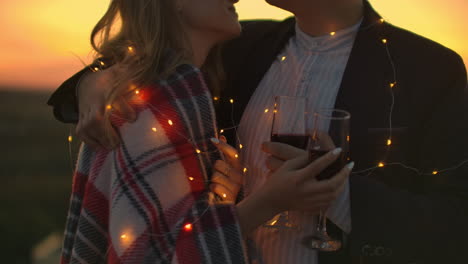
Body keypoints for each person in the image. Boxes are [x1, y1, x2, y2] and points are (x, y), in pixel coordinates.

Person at [48, 0, 468, 263]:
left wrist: (338, 196)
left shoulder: (427, 68)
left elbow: (455, 223)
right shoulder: (241, 42)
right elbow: (147, 58)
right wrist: (96, 82)